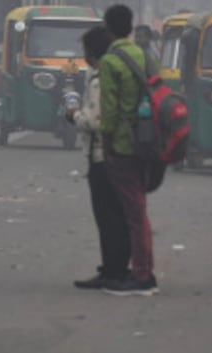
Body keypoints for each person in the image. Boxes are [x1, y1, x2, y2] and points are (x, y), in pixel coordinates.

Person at [97, 4, 157, 296]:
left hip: (122, 143)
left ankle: (143, 276)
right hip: (147, 140)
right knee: (138, 208)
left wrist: (106, 142)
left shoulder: (110, 61)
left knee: (135, 214)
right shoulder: (143, 55)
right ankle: (142, 270)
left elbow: (108, 109)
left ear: (108, 29)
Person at [67, 25, 131, 290]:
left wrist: (73, 116)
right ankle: (118, 267)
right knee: (120, 216)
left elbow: (94, 121)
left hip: (103, 157)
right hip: (124, 155)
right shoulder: (120, 71)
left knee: (107, 218)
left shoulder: (100, 78)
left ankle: (112, 271)